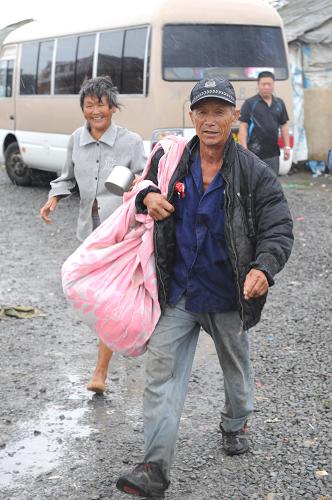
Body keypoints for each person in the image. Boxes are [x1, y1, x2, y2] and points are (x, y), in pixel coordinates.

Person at [116, 76, 293, 498]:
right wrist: (145, 198)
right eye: (202, 112)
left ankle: (235, 422)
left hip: (229, 294)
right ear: (191, 116)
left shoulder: (253, 172)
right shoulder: (174, 158)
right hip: (178, 292)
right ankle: (154, 469)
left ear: (235, 116)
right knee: (161, 375)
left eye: (219, 112)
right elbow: (139, 182)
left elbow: (278, 226)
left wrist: (264, 268)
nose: (210, 121)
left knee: (236, 369)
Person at [40, 76, 146, 395]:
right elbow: (67, 177)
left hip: (122, 230)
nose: (95, 110)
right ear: (83, 109)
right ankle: (120, 337)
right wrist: (54, 198)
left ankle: (100, 369)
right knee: (93, 294)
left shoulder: (131, 141)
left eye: (101, 104)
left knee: (110, 299)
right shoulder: (76, 138)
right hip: (89, 230)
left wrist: (133, 182)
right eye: (89, 105)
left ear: (113, 107)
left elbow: (146, 178)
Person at [238, 70, 291, 176]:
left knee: (272, 185)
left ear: (273, 85)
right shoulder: (250, 103)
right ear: (258, 85)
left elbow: (284, 125)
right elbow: (243, 126)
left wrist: (287, 147)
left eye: (269, 84)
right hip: (254, 154)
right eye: (263, 84)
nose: (266, 87)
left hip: (273, 154)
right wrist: (244, 149)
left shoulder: (279, 103)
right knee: (254, 186)